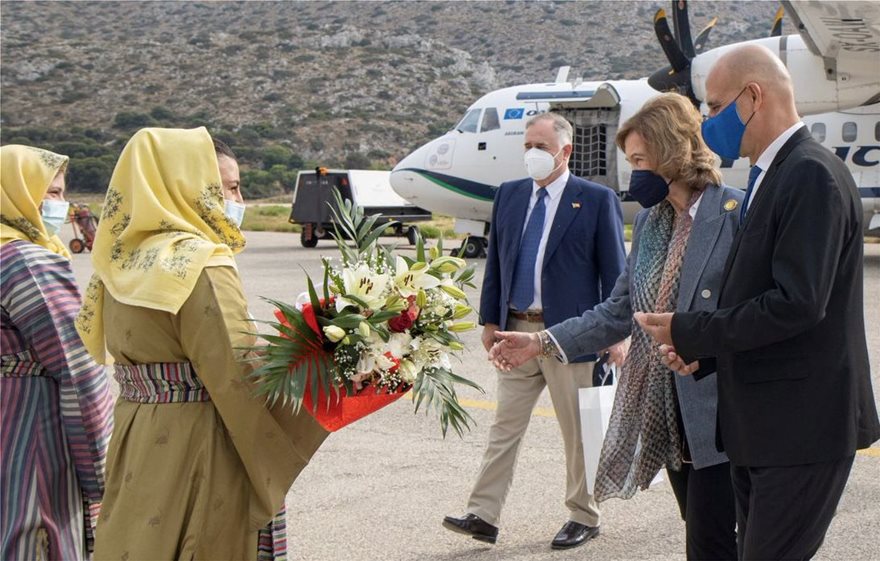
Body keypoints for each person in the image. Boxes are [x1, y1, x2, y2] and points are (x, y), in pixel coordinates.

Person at [636, 45, 880, 560]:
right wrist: (706, 355)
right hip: (764, 429)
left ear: (753, 97)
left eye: (716, 105)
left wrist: (692, 330)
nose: (705, 121)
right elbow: (758, 297)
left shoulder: (809, 173)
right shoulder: (772, 175)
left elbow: (797, 303)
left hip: (801, 429)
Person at [489, 93, 743, 560]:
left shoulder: (734, 215)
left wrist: (696, 341)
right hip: (670, 412)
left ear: (672, 152)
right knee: (705, 536)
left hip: (723, 412)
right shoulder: (651, 222)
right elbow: (615, 311)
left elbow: (749, 314)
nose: (633, 174)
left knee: (717, 540)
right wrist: (540, 342)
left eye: (641, 160)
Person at [74, 128, 329, 560]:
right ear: (191, 185)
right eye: (228, 187)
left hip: (138, 435)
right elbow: (241, 373)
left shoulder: (116, 263)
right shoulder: (201, 262)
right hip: (200, 442)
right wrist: (329, 364)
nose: (239, 200)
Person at [442, 113, 626, 550]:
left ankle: (584, 515)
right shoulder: (508, 196)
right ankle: (483, 515)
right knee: (504, 429)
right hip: (516, 331)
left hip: (571, 336)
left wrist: (616, 335)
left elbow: (616, 274)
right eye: (527, 145)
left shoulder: (595, 200)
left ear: (566, 151)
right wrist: (490, 321)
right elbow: (498, 264)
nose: (531, 154)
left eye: (541, 147)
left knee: (578, 435)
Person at [1, 145, 114, 559]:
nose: (60, 205)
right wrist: (102, 472)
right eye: (49, 193)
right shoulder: (24, 261)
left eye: (61, 193)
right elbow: (79, 370)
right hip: (31, 432)